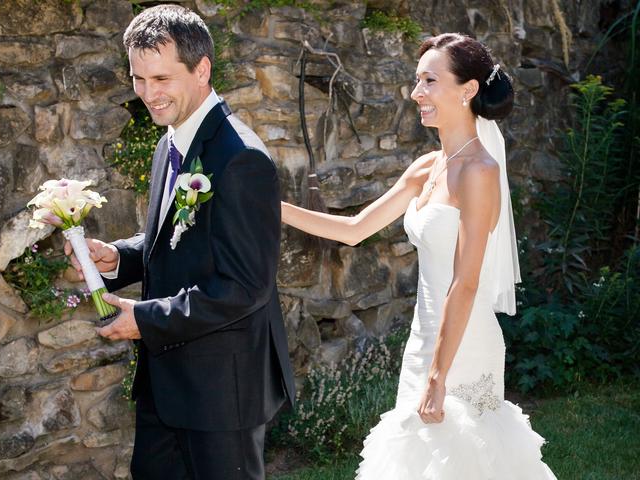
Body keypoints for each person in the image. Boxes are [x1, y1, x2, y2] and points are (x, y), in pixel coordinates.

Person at [281, 33, 557, 479]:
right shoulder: (427, 166)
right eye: (416, 80)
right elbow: (353, 230)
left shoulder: (480, 172)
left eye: (429, 81)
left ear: (468, 90)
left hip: (463, 346)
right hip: (423, 340)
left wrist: (437, 376)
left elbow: (466, 282)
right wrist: (270, 207)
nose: (415, 93)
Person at [64, 5, 294, 479]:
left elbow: (245, 287)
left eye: (161, 79)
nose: (148, 94)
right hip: (165, 384)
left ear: (202, 69)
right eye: (138, 79)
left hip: (220, 394)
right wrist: (117, 258)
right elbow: (176, 239)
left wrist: (144, 319)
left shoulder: (242, 159)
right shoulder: (169, 142)